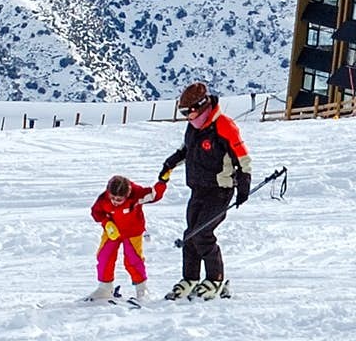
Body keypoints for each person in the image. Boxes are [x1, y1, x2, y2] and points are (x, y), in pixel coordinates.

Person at [159, 82, 251, 301]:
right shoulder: (194, 126)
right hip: (198, 188)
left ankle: (215, 280)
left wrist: (244, 183)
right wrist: (170, 163)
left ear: (201, 106)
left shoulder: (224, 125)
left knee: (203, 234)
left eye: (187, 112)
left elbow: (243, 157)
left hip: (220, 190)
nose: (186, 117)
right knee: (190, 234)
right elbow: (186, 149)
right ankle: (190, 278)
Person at [85, 174, 167, 302]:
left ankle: (141, 289)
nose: (115, 201)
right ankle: (105, 288)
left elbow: (154, 195)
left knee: (133, 259)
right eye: (113, 198)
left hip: (132, 232)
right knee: (104, 256)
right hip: (113, 231)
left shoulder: (137, 194)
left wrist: (162, 181)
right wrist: (106, 222)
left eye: (119, 199)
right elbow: (96, 212)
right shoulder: (103, 198)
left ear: (127, 194)